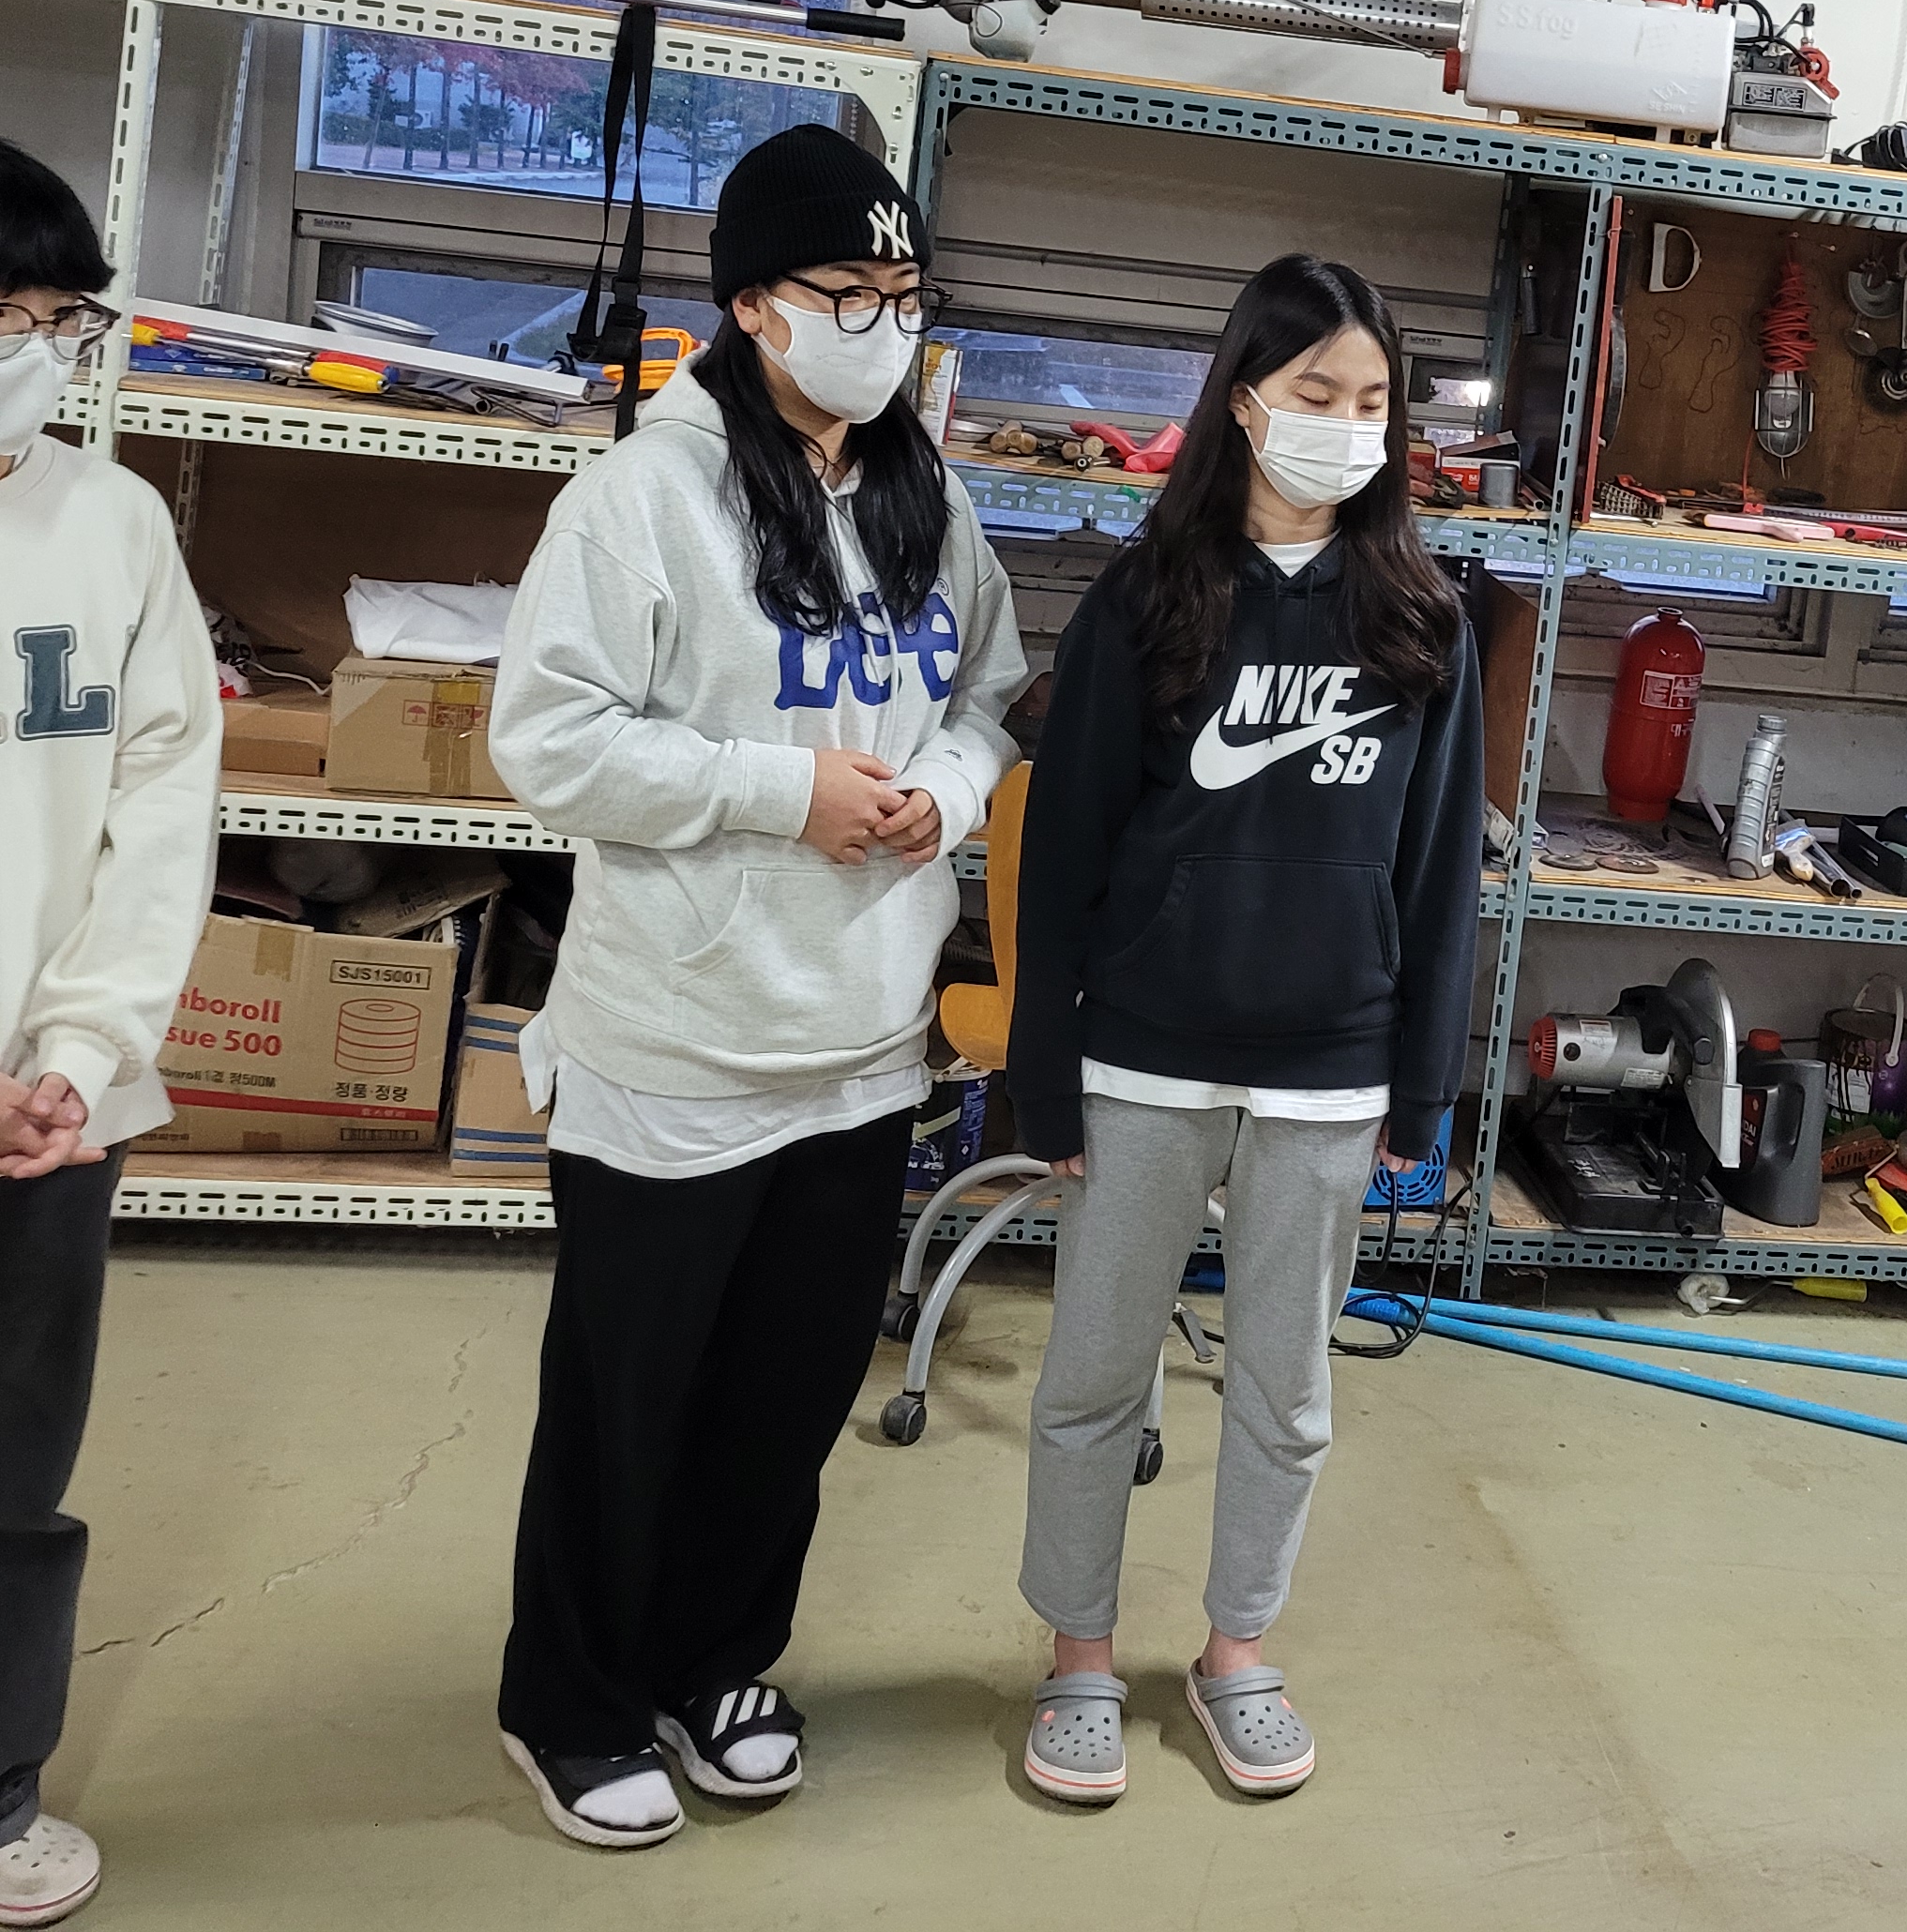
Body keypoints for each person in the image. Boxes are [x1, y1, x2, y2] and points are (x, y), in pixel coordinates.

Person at [489, 124, 1025, 1849]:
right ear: (750, 306)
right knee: (627, 1399)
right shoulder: (644, 499)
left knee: (784, 1400)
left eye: (905, 293)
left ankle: (718, 1663)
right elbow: (549, 741)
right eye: (845, 293)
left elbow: (986, 695)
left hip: (857, 1047)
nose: (882, 326)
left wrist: (943, 792)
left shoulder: (926, 494)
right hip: (679, 1041)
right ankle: (573, 1701)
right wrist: (779, 792)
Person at [1006, 254, 1482, 1806]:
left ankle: (1236, 1655)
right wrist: (1042, 1070)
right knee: (1094, 1377)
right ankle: (1079, 1654)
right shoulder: (1149, 593)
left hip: (1330, 1072)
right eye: (1315, 392)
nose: (1347, 423)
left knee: (1288, 1394)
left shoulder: (1423, 618)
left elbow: (1439, 871)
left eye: (1373, 399)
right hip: (1144, 1055)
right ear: (1245, 401)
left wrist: (1424, 1080)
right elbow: (1065, 850)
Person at [0, 142, 221, 1928]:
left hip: (48, 1108)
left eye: (55, 321)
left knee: (15, 1458)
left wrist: (75, 1055)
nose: (30, 354)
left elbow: (162, 806)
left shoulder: (118, 524)